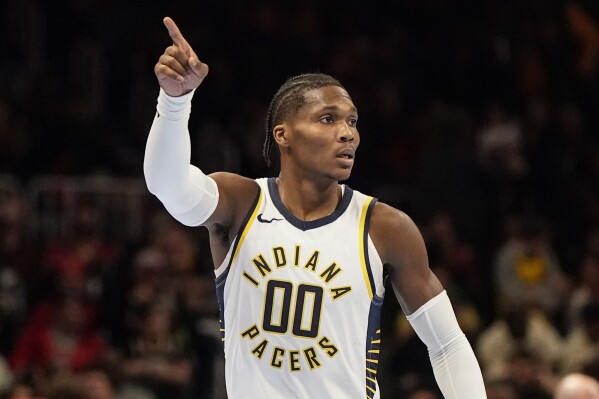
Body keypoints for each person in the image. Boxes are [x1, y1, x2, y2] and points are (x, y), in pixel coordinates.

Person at [143, 16, 487, 399]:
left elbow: (448, 345)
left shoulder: (385, 227)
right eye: (328, 119)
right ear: (283, 134)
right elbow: (167, 186)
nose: (347, 132)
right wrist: (174, 103)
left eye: (352, 121)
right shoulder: (241, 203)